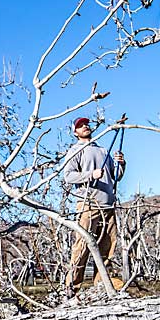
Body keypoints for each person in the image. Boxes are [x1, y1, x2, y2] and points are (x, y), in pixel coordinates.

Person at [62, 117, 126, 288]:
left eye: (86, 124)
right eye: (79, 126)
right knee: (82, 245)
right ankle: (72, 287)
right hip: (88, 204)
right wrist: (91, 174)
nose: (84, 127)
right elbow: (68, 176)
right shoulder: (75, 150)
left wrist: (122, 164)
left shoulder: (104, 150)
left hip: (108, 205)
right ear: (75, 132)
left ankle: (102, 285)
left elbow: (116, 175)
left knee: (108, 246)